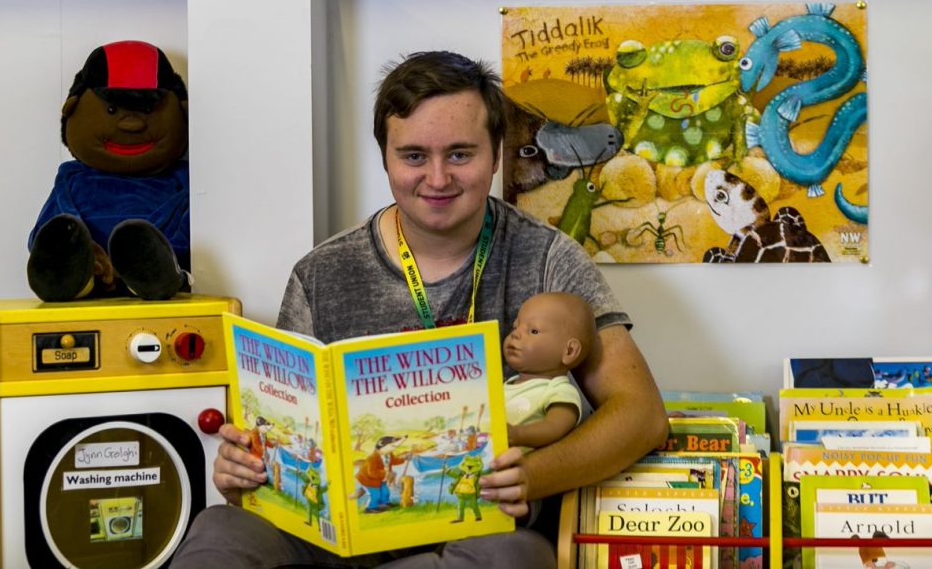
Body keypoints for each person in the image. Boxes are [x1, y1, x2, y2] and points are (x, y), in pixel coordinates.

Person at [170, 50, 668, 568]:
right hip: (337, 539)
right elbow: (278, 439)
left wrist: (531, 476)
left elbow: (641, 416)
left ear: (496, 155)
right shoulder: (321, 273)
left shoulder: (548, 257)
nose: (436, 178)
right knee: (219, 530)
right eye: (413, 156)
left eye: (459, 154)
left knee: (511, 558)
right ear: (385, 158)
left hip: (475, 534)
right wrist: (244, 467)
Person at [504, 292, 594, 453]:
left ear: (569, 350)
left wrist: (518, 435)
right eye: (515, 326)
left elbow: (555, 427)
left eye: (533, 331)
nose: (515, 334)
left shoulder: (558, 390)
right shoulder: (506, 385)